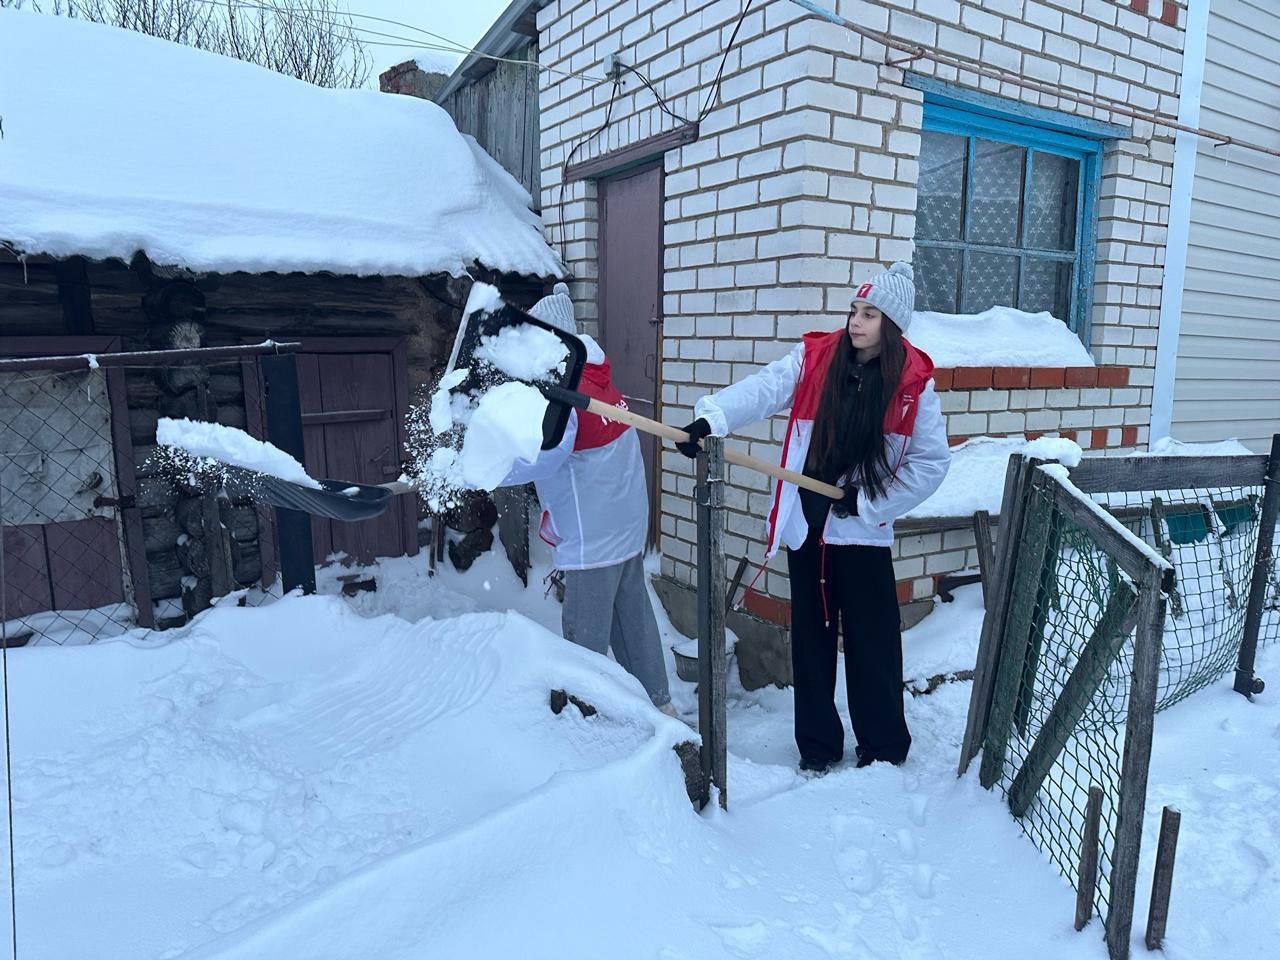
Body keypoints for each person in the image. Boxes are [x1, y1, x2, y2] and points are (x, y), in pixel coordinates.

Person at [675, 262, 949, 771]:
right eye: (854, 310)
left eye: (869, 313)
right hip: (809, 525)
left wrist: (868, 502)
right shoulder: (816, 358)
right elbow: (763, 388)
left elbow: (932, 464)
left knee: (873, 644)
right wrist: (712, 418)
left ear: (892, 324)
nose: (856, 322)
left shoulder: (912, 384)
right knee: (812, 644)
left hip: (862, 533)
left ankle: (883, 748)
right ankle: (818, 748)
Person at [500, 283, 676, 716]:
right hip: (626, 528)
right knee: (633, 621)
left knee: (585, 640)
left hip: (593, 539)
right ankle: (658, 707)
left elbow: (544, 458)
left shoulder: (566, 393)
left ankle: (587, 721)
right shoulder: (597, 378)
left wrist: (487, 468)